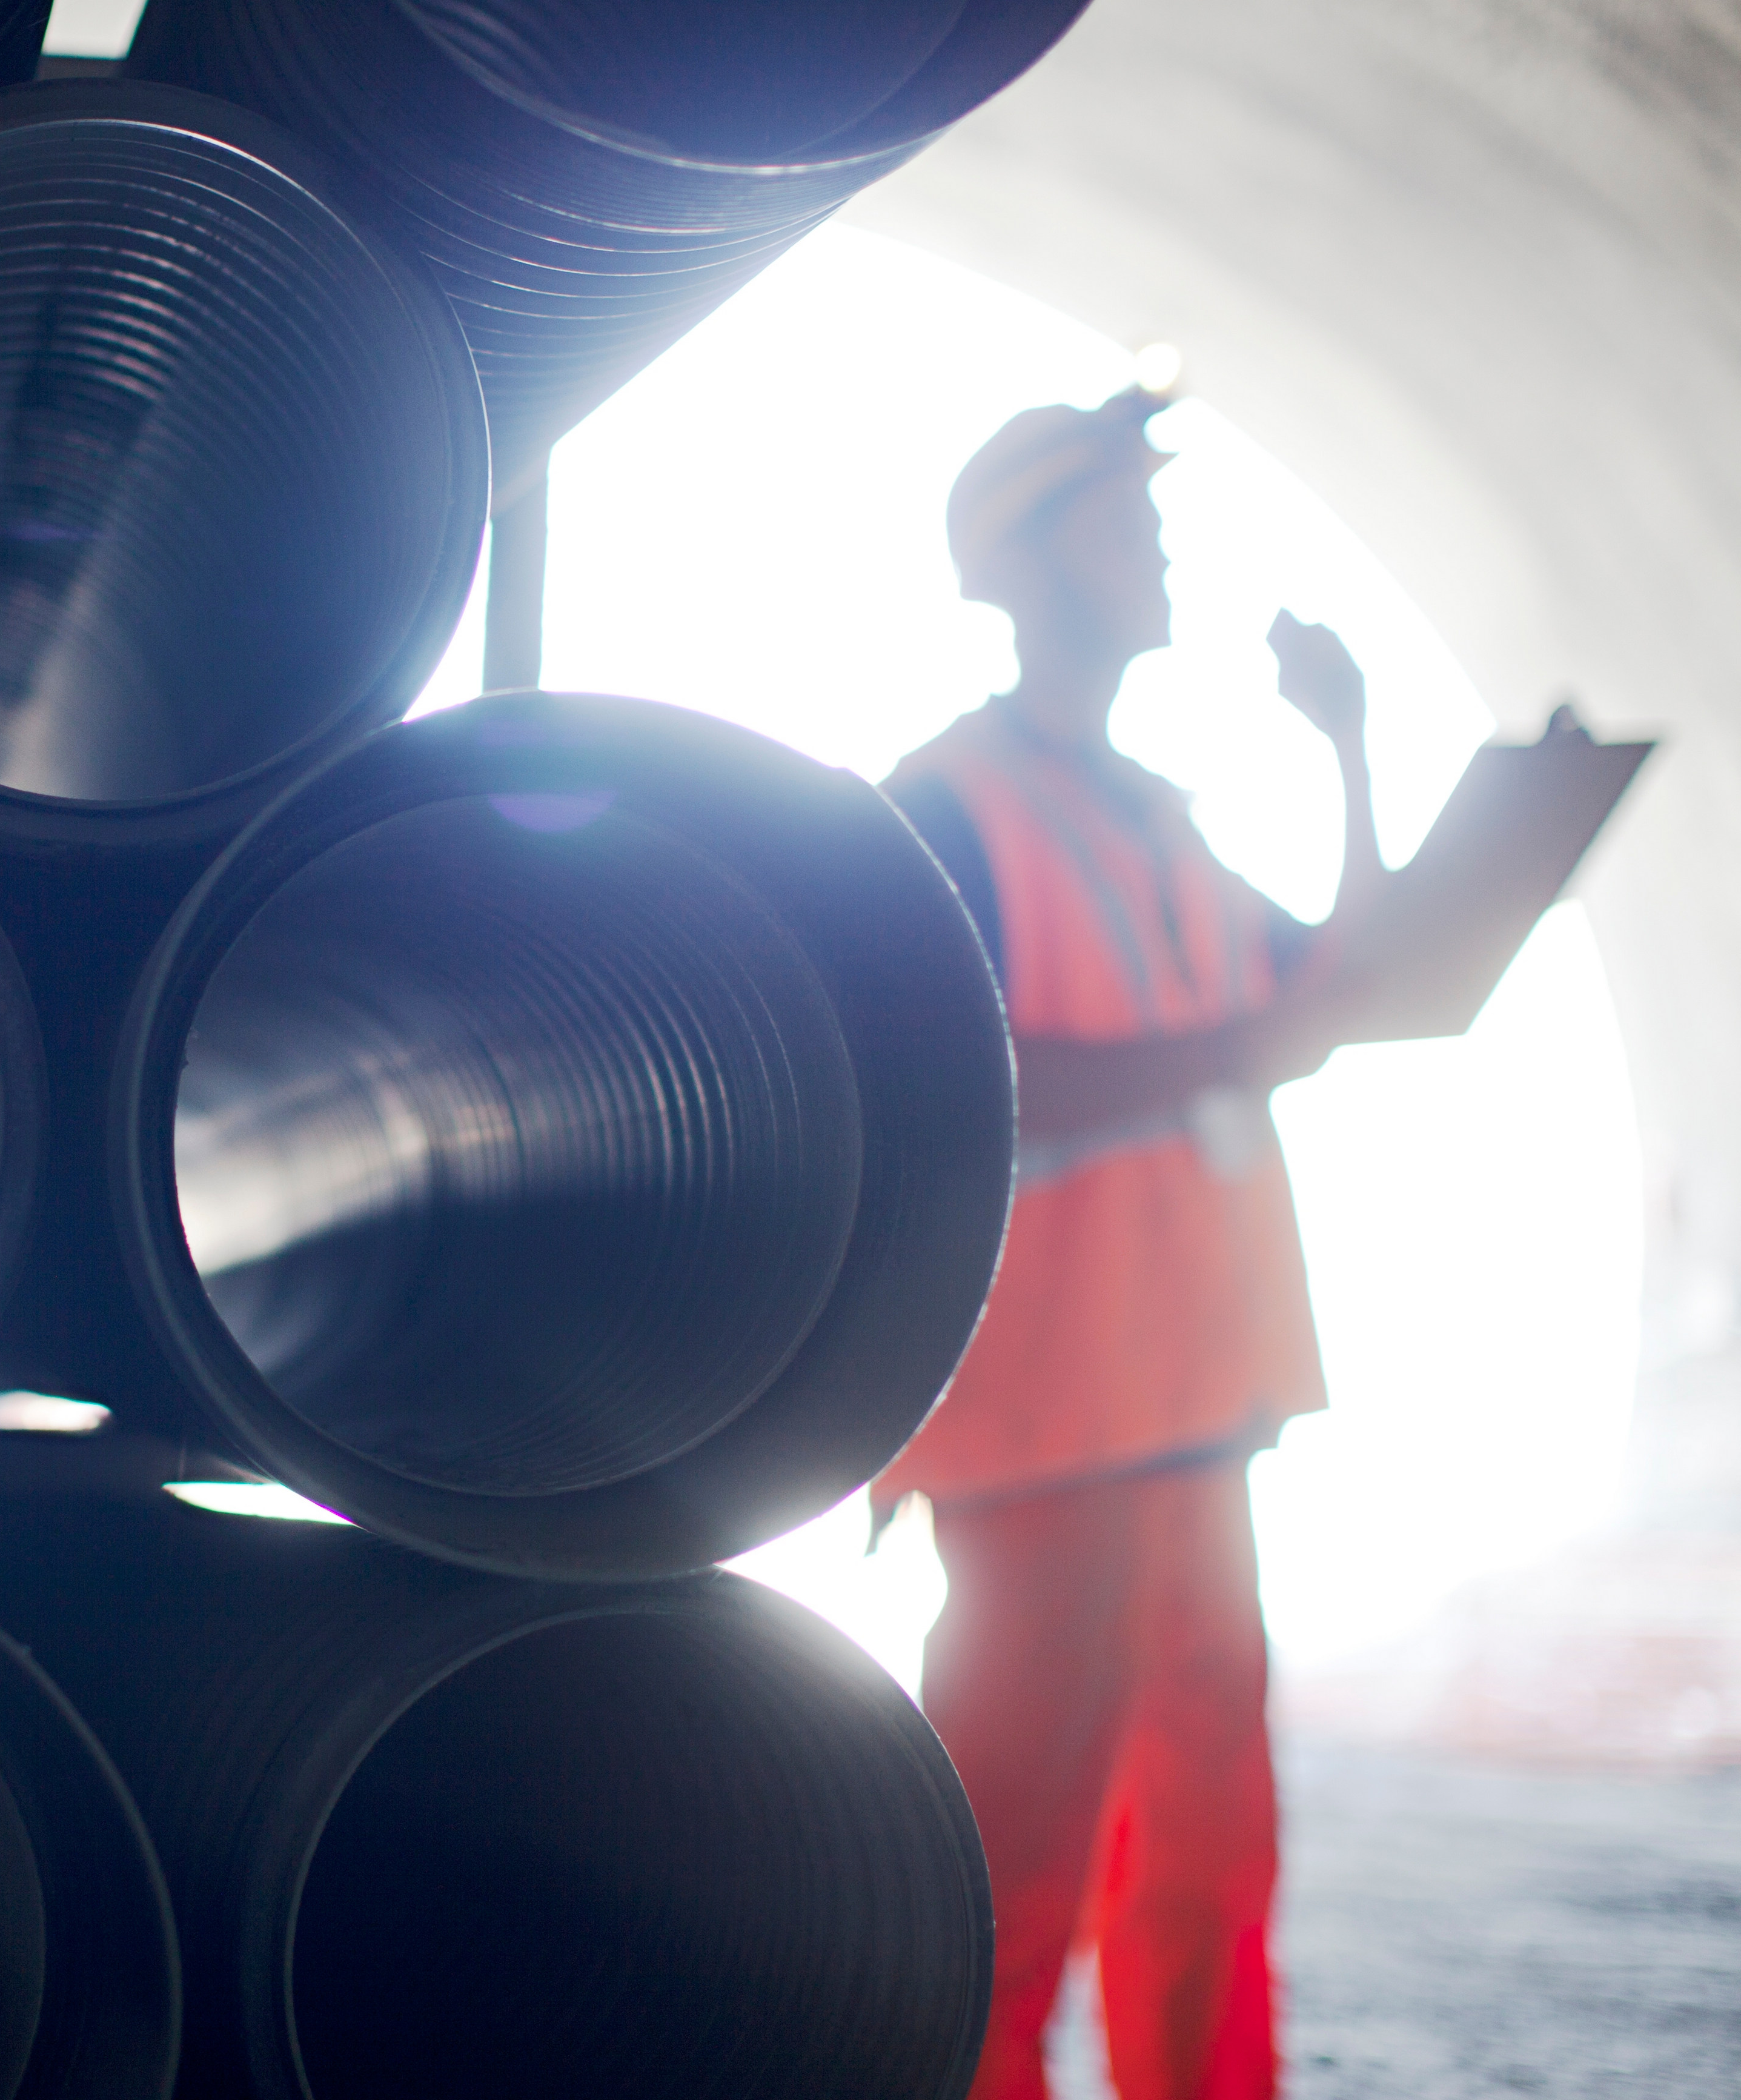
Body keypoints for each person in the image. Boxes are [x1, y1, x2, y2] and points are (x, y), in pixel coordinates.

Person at [877, 385, 1381, 2100]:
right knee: (1003, 1889)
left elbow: (1342, 991)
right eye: (1122, 514)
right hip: (1041, 1434)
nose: (1158, 542)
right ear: (1020, 564)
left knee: (1210, 1874)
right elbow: (960, 1079)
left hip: (1191, 1408)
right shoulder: (943, 804)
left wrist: (1351, 751)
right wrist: (1229, 1055)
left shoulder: (1155, 812)